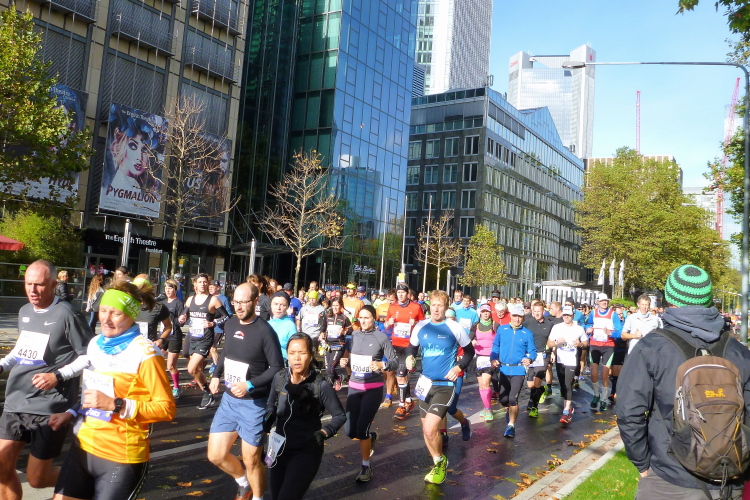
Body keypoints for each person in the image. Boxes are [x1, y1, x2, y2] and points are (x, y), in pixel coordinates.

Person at [618, 265, 750, 499]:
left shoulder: (652, 347)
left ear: (670, 298)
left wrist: (642, 462)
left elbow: (629, 411)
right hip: (729, 478)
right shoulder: (738, 351)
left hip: (669, 476)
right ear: (708, 299)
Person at [49, 280, 175, 500]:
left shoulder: (146, 353)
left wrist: (116, 404)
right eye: (103, 311)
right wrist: (70, 413)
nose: (106, 319)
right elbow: (93, 395)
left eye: (115, 313)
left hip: (120, 456)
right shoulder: (96, 344)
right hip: (83, 447)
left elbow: (166, 408)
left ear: (131, 315)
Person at [0, 260, 94, 500]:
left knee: (36, 479)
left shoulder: (67, 313)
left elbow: (90, 355)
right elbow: (21, 349)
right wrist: (2, 365)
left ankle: (87, 482)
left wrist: (58, 375)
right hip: (17, 399)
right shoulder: (25, 311)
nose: (32, 290)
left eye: (39, 285)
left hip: (49, 405)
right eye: (28, 284)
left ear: (53, 285)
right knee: (1, 466)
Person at [207, 283, 285, 500]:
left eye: (244, 302)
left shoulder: (264, 331)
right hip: (229, 401)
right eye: (236, 302)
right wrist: (216, 374)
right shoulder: (231, 323)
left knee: (251, 460)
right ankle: (244, 483)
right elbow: (226, 352)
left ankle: (258, 497)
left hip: (254, 404)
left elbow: (277, 367)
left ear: (255, 301)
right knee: (215, 455)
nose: (239, 307)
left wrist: (249, 384)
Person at [404, 290, 474, 484]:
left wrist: (459, 367)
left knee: (429, 428)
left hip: (445, 385)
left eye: (440, 305)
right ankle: (438, 462)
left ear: (446, 307)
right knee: (427, 430)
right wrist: (409, 357)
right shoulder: (421, 326)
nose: (436, 309)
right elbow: (412, 348)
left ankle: (440, 462)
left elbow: (470, 351)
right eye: (433, 305)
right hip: (425, 384)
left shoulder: (454, 327)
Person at [263, 334, 346, 499]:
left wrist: (324, 432)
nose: (297, 358)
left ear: (311, 354)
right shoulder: (280, 378)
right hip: (279, 448)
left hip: (306, 452)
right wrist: (269, 416)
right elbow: (271, 403)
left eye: (302, 353)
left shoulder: (320, 385)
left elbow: (340, 415)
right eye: (292, 353)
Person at [345, 306, 397, 482]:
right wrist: (345, 361)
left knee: (361, 430)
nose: (363, 321)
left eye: (366, 318)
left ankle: (366, 466)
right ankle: (371, 436)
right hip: (354, 387)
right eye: (360, 318)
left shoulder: (381, 337)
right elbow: (352, 358)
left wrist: (382, 365)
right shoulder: (355, 335)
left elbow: (394, 361)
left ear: (374, 318)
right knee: (350, 431)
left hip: (372, 388)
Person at [178, 273, 230, 410]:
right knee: (189, 360)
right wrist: (182, 318)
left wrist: (213, 323)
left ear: (208, 283)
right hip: (192, 336)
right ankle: (206, 387)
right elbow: (184, 314)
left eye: (205, 282)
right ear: (195, 284)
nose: (202, 284)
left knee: (191, 368)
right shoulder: (190, 299)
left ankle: (207, 392)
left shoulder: (213, 300)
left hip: (205, 338)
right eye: (200, 282)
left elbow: (227, 316)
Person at [491, 304, 536, 438]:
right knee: (503, 399)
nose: (517, 319)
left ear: (523, 318)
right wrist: (493, 358)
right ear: (511, 315)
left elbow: (532, 351)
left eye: (520, 317)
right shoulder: (502, 329)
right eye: (515, 316)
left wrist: (530, 359)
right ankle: (509, 410)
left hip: (518, 369)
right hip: (504, 368)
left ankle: (511, 426)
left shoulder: (527, 333)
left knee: (512, 399)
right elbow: (496, 346)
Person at [385, 283, 425, 418]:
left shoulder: (416, 307)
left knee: (400, 376)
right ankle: (408, 400)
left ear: (408, 294)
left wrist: (417, 323)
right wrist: (389, 323)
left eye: (403, 292)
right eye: (399, 293)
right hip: (396, 345)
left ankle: (401, 405)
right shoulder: (392, 307)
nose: (401, 295)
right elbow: (386, 325)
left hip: (410, 345)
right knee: (401, 375)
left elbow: (424, 324)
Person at [547, 306, 588, 424]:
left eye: (568, 315)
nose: (566, 317)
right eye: (564, 315)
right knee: (563, 386)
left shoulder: (579, 328)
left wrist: (580, 344)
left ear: (572, 316)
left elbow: (586, 342)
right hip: (560, 359)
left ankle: (566, 412)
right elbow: (549, 343)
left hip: (572, 360)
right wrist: (556, 342)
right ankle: (568, 407)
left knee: (568, 384)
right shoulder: (557, 327)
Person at [585, 293, 623, 412]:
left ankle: (604, 399)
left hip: (608, 346)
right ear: (598, 302)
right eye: (602, 301)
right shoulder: (593, 313)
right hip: (595, 345)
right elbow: (588, 324)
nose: (604, 303)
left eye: (606, 301)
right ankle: (596, 395)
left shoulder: (613, 314)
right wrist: (588, 329)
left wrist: (611, 333)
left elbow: (620, 331)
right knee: (593, 373)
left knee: (604, 374)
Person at [524, 302, 555, 417]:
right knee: (530, 384)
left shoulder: (550, 324)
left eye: (539, 311)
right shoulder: (528, 323)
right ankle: (541, 390)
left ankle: (534, 407)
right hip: (530, 355)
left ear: (543, 311)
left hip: (543, 355)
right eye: (535, 311)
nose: (537, 313)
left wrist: (553, 352)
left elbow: (553, 339)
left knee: (537, 381)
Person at [320, 297, 352, 391]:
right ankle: (338, 378)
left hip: (339, 345)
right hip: (328, 345)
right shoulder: (327, 316)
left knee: (330, 368)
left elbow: (351, 330)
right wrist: (322, 333)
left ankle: (329, 390)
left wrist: (344, 332)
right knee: (328, 369)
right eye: (333, 305)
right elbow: (323, 327)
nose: (335, 307)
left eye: (337, 305)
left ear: (341, 306)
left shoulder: (344, 318)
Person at [474, 303, 498, 421]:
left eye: (487, 311)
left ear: (490, 313)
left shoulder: (495, 325)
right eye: (483, 311)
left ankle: (488, 409)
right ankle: (486, 406)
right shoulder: (475, 325)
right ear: (480, 313)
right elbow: (468, 339)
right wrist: (472, 341)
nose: (485, 314)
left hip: (490, 357)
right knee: (481, 385)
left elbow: (500, 340)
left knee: (485, 382)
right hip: (479, 358)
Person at [162, 279, 185, 398]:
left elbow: (181, 323)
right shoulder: (162, 302)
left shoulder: (178, 303)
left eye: (170, 288)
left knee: (170, 366)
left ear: (175, 290)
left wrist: (172, 318)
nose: (167, 290)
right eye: (166, 288)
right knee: (156, 361)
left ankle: (176, 387)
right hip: (163, 335)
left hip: (174, 336)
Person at [208, 280, 234, 377]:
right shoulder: (209, 297)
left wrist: (217, 321)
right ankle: (216, 363)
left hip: (218, 328)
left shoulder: (223, 299)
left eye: (213, 287)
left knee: (213, 348)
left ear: (218, 288)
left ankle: (216, 367)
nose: (210, 288)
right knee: (208, 349)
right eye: (209, 287)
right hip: (208, 327)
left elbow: (229, 314)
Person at [268, 291, 298, 363]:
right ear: (271, 305)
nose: (278, 308)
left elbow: (295, 350)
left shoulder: (290, 326)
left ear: (287, 307)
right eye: (275, 304)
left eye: (282, 305)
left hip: (282, 363)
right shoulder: (267, 324)